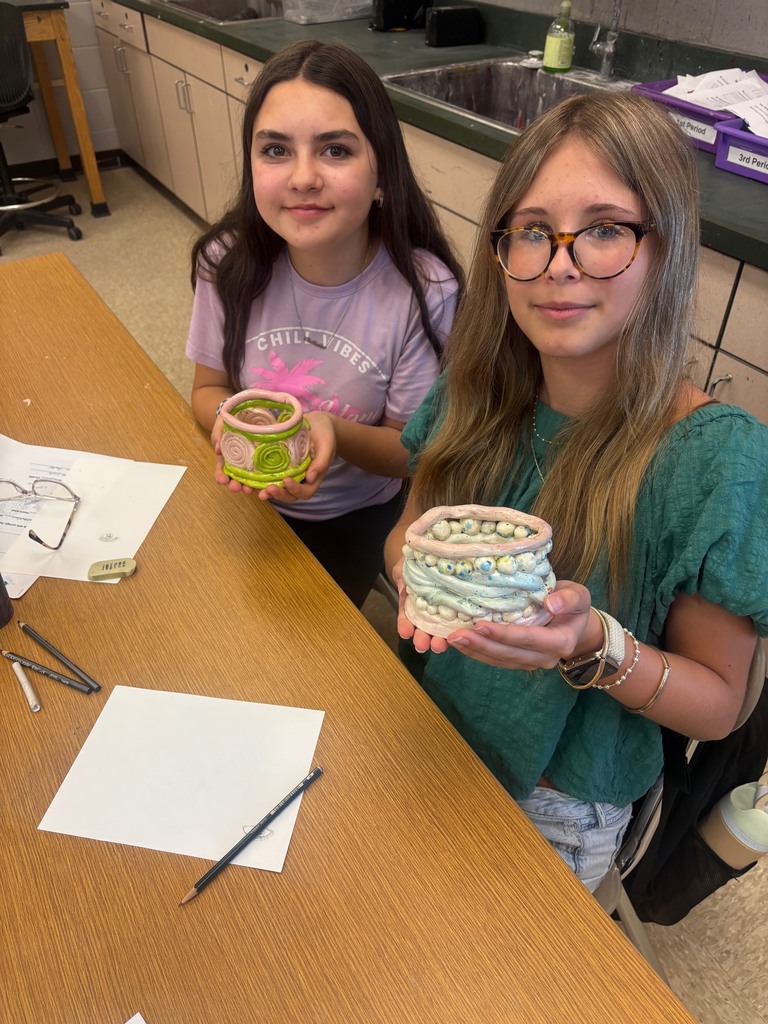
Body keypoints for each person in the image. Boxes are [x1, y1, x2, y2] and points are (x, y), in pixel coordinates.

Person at [384, 91, 768, 892]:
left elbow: (719, 704)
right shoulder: (476, 389)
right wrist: (425, 585)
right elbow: (409, 531)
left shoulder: (712, 459)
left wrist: (592, 641)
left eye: (603, 230)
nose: (559, 264)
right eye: (533, 231)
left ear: (665, 249)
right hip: (433, 724)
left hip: (559, 799)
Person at [186, 40, 462, 607]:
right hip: (247, 497)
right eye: (276, 150)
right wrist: (230, 427)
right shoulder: (226, 261)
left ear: (381, 173)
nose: (303, 177)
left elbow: (410, 451)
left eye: (335, 151)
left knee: (303, 641)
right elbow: (208, 389)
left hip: (357, 513)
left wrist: (331, 434)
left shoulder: (421, 291)